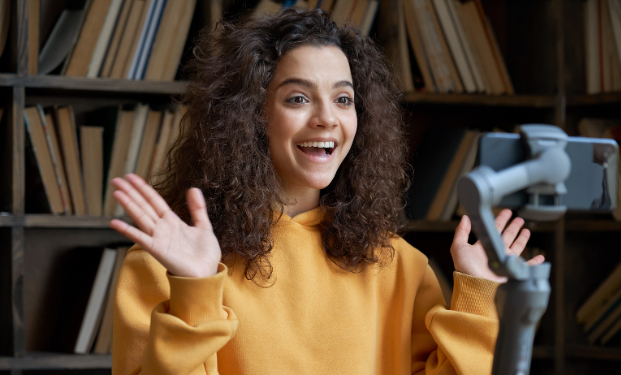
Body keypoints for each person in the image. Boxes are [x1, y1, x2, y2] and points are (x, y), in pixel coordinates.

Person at [109, 8, 544, 375]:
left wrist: (476, 297)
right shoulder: (166, 261)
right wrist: (195, 289)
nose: (326, 119)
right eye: (298, 98)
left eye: (342, 99)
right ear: (250, 114)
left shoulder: (401, 266)